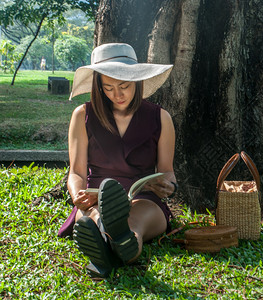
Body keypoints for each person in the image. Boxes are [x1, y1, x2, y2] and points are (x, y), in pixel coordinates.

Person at [59, 43, 176, 278]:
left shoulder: (160, 117)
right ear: (99, 87)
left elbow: (167, 172)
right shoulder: (82, 115)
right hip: (95, 196)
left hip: (142, 198)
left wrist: (168, 185)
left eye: (124, 86)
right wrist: (77, 196)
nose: (118, 94)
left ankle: (108, 246)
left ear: (137, 81)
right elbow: (76, 172)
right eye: (108, 88)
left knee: (132, 226)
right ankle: (112, 244)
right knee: (97, 216)